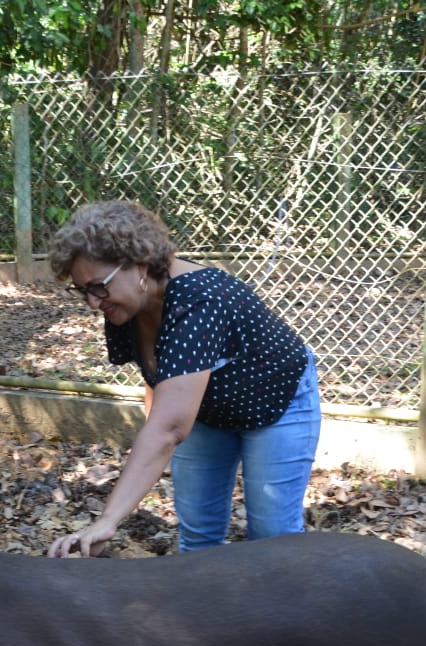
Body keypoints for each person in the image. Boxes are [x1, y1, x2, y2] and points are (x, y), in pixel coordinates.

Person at [44, 201, 321, 557]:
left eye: (98, 287)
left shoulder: (198, 299)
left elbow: (169, 428)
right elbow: (155, 382)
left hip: (275, 402)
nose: (93, 304)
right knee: (198, 539)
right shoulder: (124, 304)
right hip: (205, 409)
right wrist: (155, 444)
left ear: (139, 265)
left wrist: (107, 520)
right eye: (83, 291)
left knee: (272, 538)